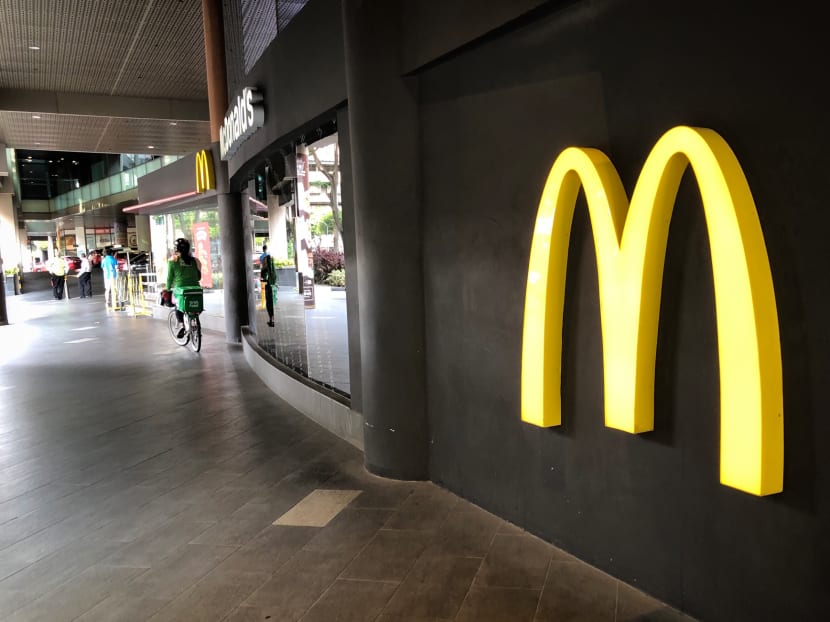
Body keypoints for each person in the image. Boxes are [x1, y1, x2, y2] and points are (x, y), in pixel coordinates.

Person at [166, 238, 202, 338]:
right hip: (195, 289)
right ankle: (194, 320)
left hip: (180, 289)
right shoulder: (195, 261)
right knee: (194, 304)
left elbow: (169, 278)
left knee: (178, 305)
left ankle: (181, 325)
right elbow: (199, 277)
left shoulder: (172, 261)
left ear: (176, 249)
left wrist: (167, 288)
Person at [260, 247, 276, 327]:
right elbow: (275, 278)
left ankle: (271, 320)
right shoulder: (273, 270)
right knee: (272, 305)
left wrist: (262, 280)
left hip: (268, 288)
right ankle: (273, 319)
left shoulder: (264, 270)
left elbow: (264, 280)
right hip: (274, 289)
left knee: (268, 304)